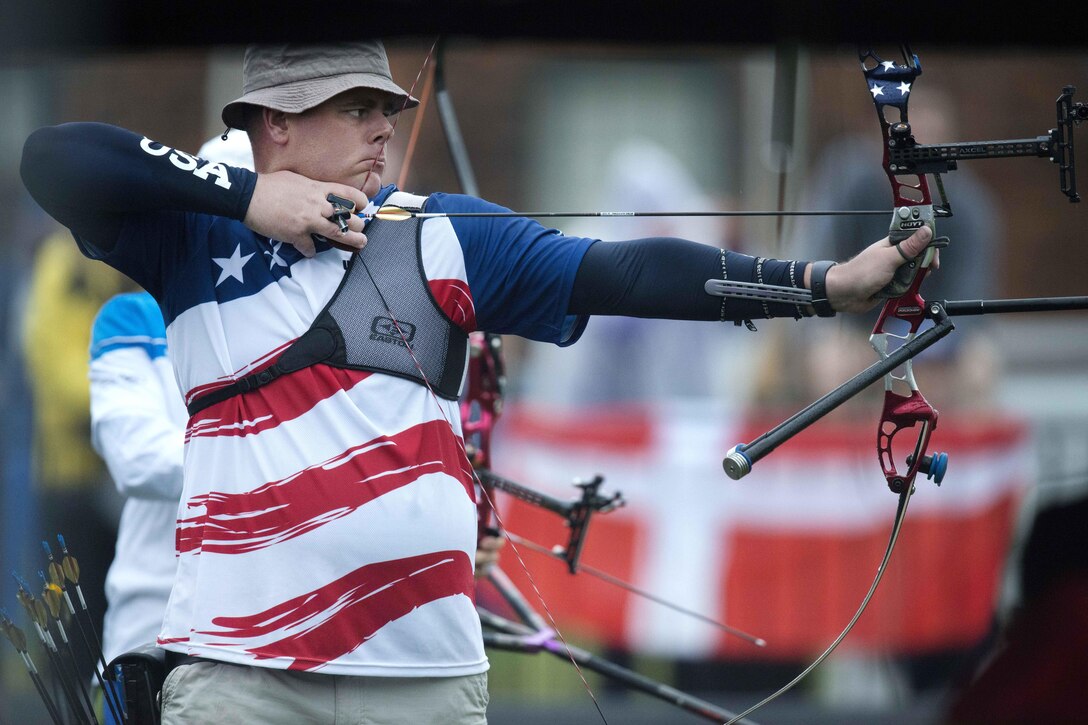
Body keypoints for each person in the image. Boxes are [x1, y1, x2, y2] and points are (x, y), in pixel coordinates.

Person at [20, 41, 932, 724]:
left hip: (424, 676)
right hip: (242, 676)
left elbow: (622, 272)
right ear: (275, 125)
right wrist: (248, 199)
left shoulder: (441, 232)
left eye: (387, 105)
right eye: (353, 106)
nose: (385, 126)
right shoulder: (193, 241)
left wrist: (826, 286)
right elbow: (53, 157)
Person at [90, 132, 254, 725]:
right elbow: (137, 460)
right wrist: (281, 464)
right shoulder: (135, 317)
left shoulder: (306, 316)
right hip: (152, 635)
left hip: (272, 645)